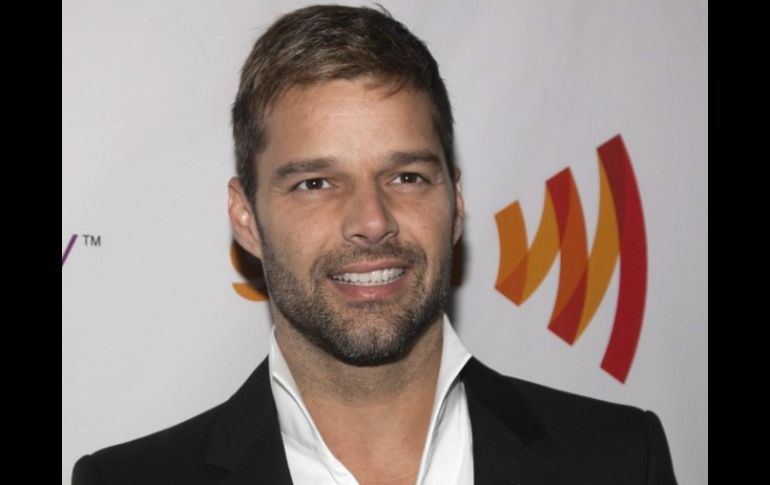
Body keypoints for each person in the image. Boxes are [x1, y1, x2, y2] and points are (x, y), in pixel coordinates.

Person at [72, 5, 678, 484]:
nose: (371, 221)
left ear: (455, 201)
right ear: (246, 218)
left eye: (406, 177)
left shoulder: (622, 459)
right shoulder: (129, 479)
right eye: (315, 183)